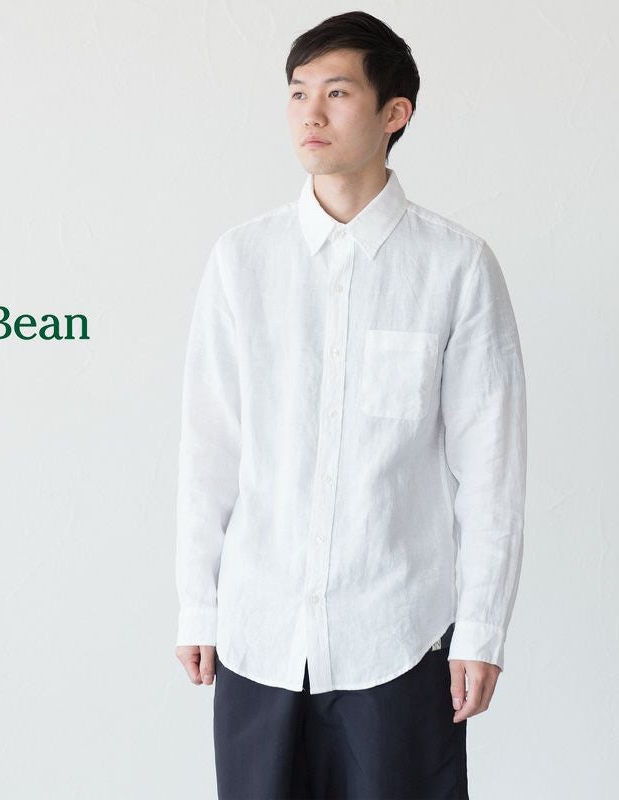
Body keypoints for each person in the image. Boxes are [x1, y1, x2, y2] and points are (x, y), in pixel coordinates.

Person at [174, 10, 527, 800]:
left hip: (397, 638)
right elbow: (209, 449)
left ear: (394, 113)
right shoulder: (241, 261)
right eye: (298, 92)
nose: (311, 113)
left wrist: (481, 628)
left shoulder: (456, 268)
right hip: (259, 636)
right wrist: (199, 605)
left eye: (336, 93)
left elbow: (491, 471)